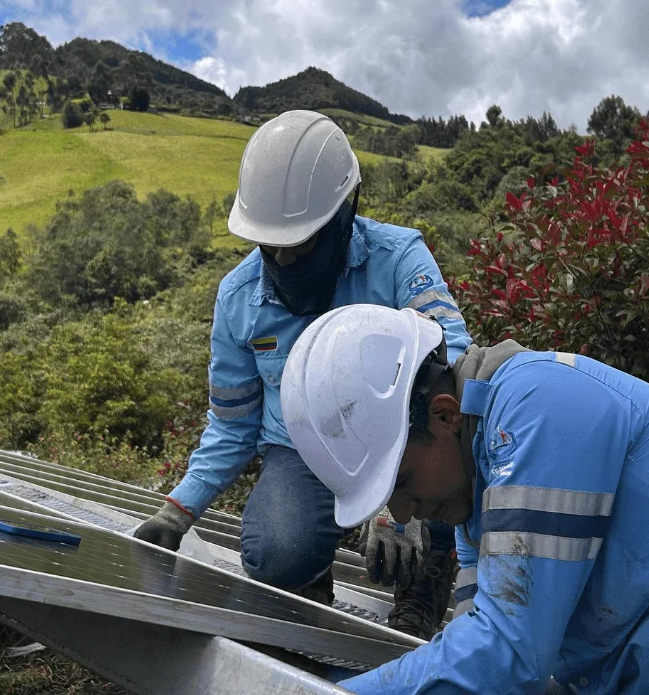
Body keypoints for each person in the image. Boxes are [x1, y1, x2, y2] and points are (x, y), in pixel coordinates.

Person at [280, 305, 649, 694]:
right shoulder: (478, 486)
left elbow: (505, 654)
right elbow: (473, 651)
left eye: (402, 484)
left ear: (442, 416)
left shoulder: (539, 409)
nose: (404, 515)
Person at [133, 110, 472, 639]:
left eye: (302, 243)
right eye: (272, 247)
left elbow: (454, 363)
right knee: (276, 553)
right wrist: (178, 511)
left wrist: (396, 507)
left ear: (342, 215)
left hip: (404, 438)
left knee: (453, 451)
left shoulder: (398, 258)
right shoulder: (240, 299)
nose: (285, 259)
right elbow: (232, 425)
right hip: (302, 450)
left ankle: (425, 577)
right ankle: (310, 579)